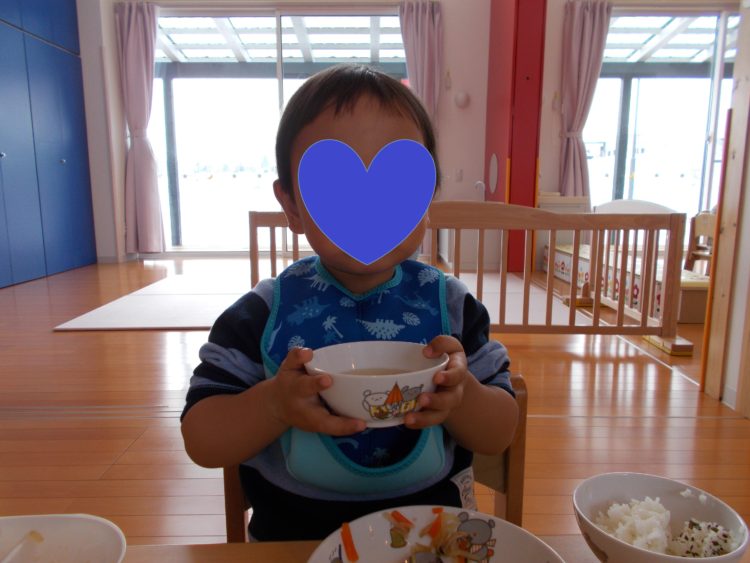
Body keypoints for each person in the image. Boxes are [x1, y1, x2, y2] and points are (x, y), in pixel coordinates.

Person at [180, 63, 519, 541]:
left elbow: (500, 432)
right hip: (292, 541)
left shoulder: (452, 306)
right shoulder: (262, 313)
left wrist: (462, 398)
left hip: (431, 539)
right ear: (292, 205)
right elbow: (202, 439)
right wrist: (273, 405)